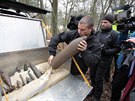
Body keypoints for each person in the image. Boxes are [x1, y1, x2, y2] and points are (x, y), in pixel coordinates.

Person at [90, 14, 120, 100]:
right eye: (102, 22)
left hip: (104, 60)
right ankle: (92, 90)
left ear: (111, 23)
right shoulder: (98, 32)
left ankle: (97, 96)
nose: (103, 24)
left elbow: (117, 49)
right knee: (92, 76)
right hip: (94, 58)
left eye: (105, 22)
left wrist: (106, 51)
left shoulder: (114, 34)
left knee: (98, 79)